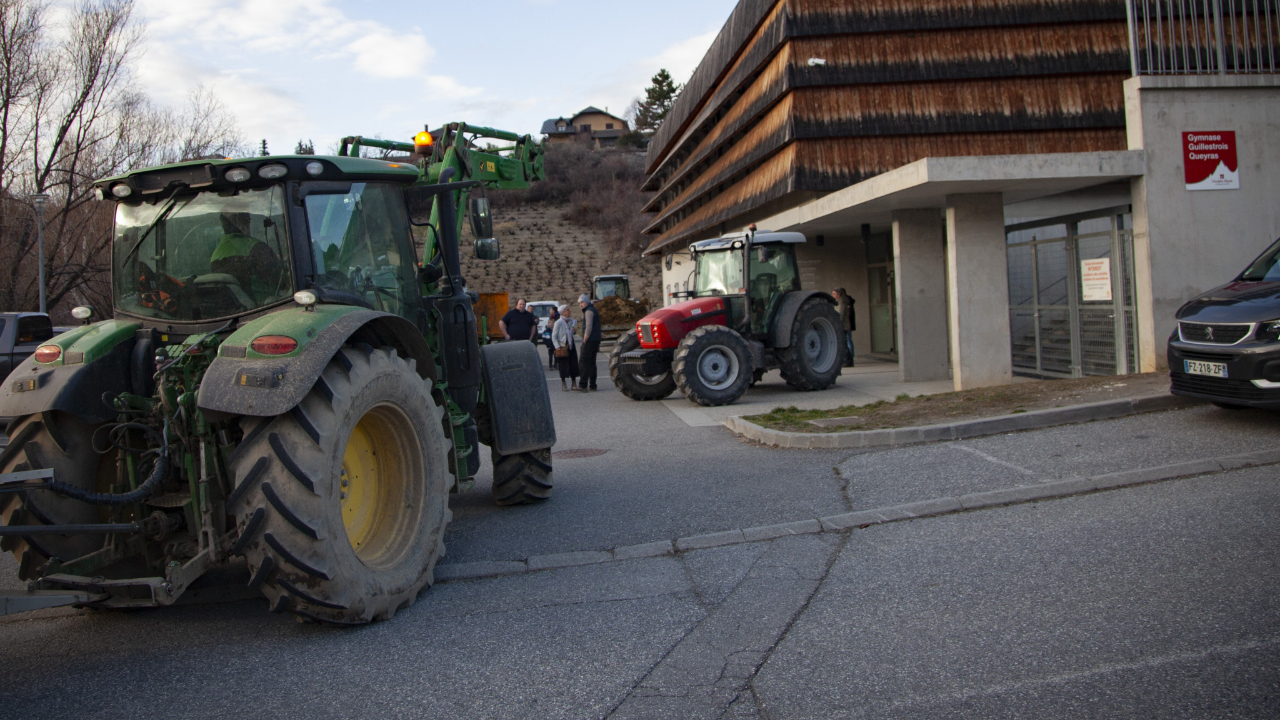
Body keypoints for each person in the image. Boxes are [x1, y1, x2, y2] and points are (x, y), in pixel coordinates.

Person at [210, 210, 283, 302]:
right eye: (248, 220)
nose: (249, 225)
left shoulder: (216, 254)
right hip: (263, 307)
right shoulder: (257, 248)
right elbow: (282, 280)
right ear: (238, 223)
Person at [574, 293, 601, 392]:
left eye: (582, 302)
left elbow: (588, 327)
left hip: (590, 340)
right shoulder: (593, 309)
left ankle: (583, 384)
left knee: (584, 362)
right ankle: (593, 384)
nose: (580, 305)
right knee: (592, 362)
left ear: (586, 302)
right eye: (579, 303)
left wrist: (585, 339)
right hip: (596, 339)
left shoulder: (588, 311)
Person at [551, 304, 578, 390]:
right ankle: (563, 383)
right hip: (562, 347)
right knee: (563, 366)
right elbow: (554, 336)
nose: (569, 311)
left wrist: (574, 331)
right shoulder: (558, 323)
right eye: (567, 310)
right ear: (563, 312)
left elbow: (572, 331)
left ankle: (574, 383)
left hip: (570, 345)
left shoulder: (571, 321)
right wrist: (557, 347)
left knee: (573, 364)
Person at [833, 288, 855, 367]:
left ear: (838, 295)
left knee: (844, 344)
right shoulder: (840, 302)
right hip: (844, 326)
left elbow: (840, 315)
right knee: (845, 343)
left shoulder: (841, 302)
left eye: (834, 294)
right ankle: (848, 360)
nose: (832, 295)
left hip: (843, 326)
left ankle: (848, 360)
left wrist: (834, 321)